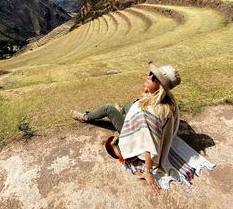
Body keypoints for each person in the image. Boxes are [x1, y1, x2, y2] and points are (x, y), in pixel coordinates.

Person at [70, 61, 181, 194]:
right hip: (140, 127)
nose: (148, 76)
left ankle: (86, 117)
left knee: (108, 108)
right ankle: (121, 112)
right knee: (130, 104)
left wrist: (148, 172)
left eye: (153, 77)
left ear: (160, 86)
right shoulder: (169, 101)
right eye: (150, 73)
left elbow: (150, 143)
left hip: (135, 136)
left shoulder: (151, 112)